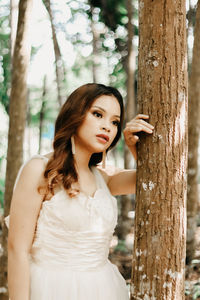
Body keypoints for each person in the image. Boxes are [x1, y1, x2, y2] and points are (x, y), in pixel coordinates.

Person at [6, 83, 154, 300]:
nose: (107, 127)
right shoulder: (39, 169)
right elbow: (17, 250)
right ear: (75, 114)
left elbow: (149, 180)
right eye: (98, 114)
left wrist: (134, 148)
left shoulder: (103, 177)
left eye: (114, 122)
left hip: (103, 289)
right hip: (50, 289)